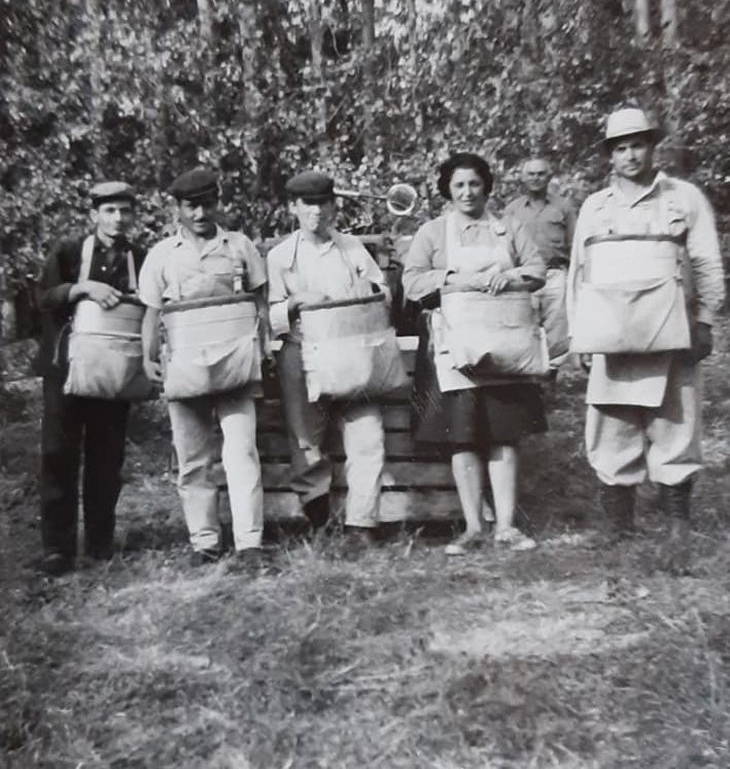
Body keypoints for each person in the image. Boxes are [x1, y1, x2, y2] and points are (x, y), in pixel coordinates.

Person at [567, 107, 725, 570]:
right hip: (610, 335)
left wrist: (706, 320)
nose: (630, 155)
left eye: (638, 144)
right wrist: (578, 336)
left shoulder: (684, 198)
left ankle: (677, 520)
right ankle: (619, 523)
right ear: (608, 156)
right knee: (610, 426)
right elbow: (580, 274)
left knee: (676, 423)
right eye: (620, 148)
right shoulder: (595, 207)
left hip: (671, 329)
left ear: (653, 146)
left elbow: (706, 262)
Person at [403, 152, 547, 555]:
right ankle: (472, 527)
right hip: (454, 347)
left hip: (505, 346)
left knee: (504, 434)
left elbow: (538, 269)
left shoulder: (508, 229)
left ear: (487, 187)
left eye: (474, 184)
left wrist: (511, 274)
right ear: (447, 191)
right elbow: (412, 282)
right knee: (462, 437)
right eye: (459, 185)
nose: (467, 192)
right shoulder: (433, 233)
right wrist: (453, 277)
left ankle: (505, 526)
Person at [138, 167, 268, 568]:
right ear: (176, 208)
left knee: (242, 452)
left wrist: (262, 344)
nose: (200, 214)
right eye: (192, 206)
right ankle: (205, 541)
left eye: (208, 204)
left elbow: (260, 300)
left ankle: (249, 543)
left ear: (218, 203)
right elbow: (151, 313)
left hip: (235, 366)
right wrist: (147, 357)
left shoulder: (239, 246)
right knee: (193, 459)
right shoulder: (162, 255)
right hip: (185, 367)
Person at [266, 170, 389, 547]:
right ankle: (319, 523)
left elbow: (382, 293)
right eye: (307, 204)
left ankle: (361, 526)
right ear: (294, 208)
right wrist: (295, 302)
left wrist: (367, 291)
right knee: (306, 440)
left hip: (353, 351)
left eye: (322, 203)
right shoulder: (280, 257)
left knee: (368, 435)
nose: (315, 212)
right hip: (302, 352)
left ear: (334, 205)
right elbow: (268, 316)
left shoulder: (353, 249)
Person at [35, 181, 146, 575]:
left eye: (125, 211)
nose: (118, 219)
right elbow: (42, 298)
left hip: (116, 372)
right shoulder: (69, 253)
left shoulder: (140, 257)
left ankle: (99, 543)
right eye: (110, 211)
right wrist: (81, 288)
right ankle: (57, 548)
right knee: (58, 454)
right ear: (94, 214)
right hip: (65, 371)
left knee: (106, 458)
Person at [504, 157, 576, 370]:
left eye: (540, 174)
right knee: (526, 326)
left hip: (554, 274)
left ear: (549, 177)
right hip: (524, 276)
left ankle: (551, 376)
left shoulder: (563, 207)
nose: (535, 178)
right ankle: (529, 376)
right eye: (531, 174)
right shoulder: (512, 210)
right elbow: (505, 248)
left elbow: (574, 244)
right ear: (523, 178)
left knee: (557, 328)